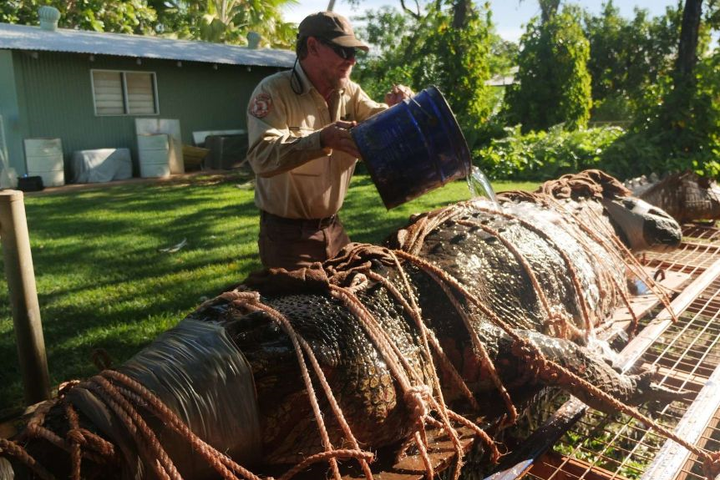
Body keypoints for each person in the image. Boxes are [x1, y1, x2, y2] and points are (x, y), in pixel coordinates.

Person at [246, 11, 413, 271]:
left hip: (334, 229)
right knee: (302, 299)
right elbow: (261, 157)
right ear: (313, 46)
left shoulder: (350, 92)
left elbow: (380, 122)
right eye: (343, 51)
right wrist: (321, 140)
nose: (352, 60)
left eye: (354, 52)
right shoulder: (273, 91)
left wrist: (401, 110)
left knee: (355, 292)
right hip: (287, 238)